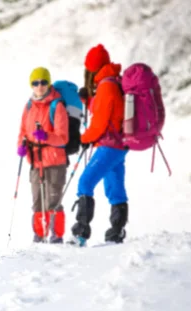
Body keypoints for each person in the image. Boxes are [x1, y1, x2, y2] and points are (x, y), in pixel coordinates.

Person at [70, 44, 129, 246]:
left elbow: (100, 124)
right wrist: (88, 101)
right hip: (120, 146)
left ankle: (80, 234)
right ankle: (116, 232)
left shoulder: (106, 87)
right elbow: (108, 112)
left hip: (109, 146)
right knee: (115, 189)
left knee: (85, 183)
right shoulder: (113, 82)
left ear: (91, 68)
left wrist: (83, 139)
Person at [17, 67, 69, 243]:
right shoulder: (29, 106)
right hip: (35, 162)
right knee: (37, 202)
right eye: (35, 83)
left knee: (52, 202)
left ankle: (56, 236)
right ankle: (39, 236)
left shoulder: (57, 105)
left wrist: (46, 136)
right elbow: (23, 131)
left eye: (43, 82)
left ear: (48, 83)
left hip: (55, 162)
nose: (39, 86)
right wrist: (21, 146)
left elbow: (63, 138)